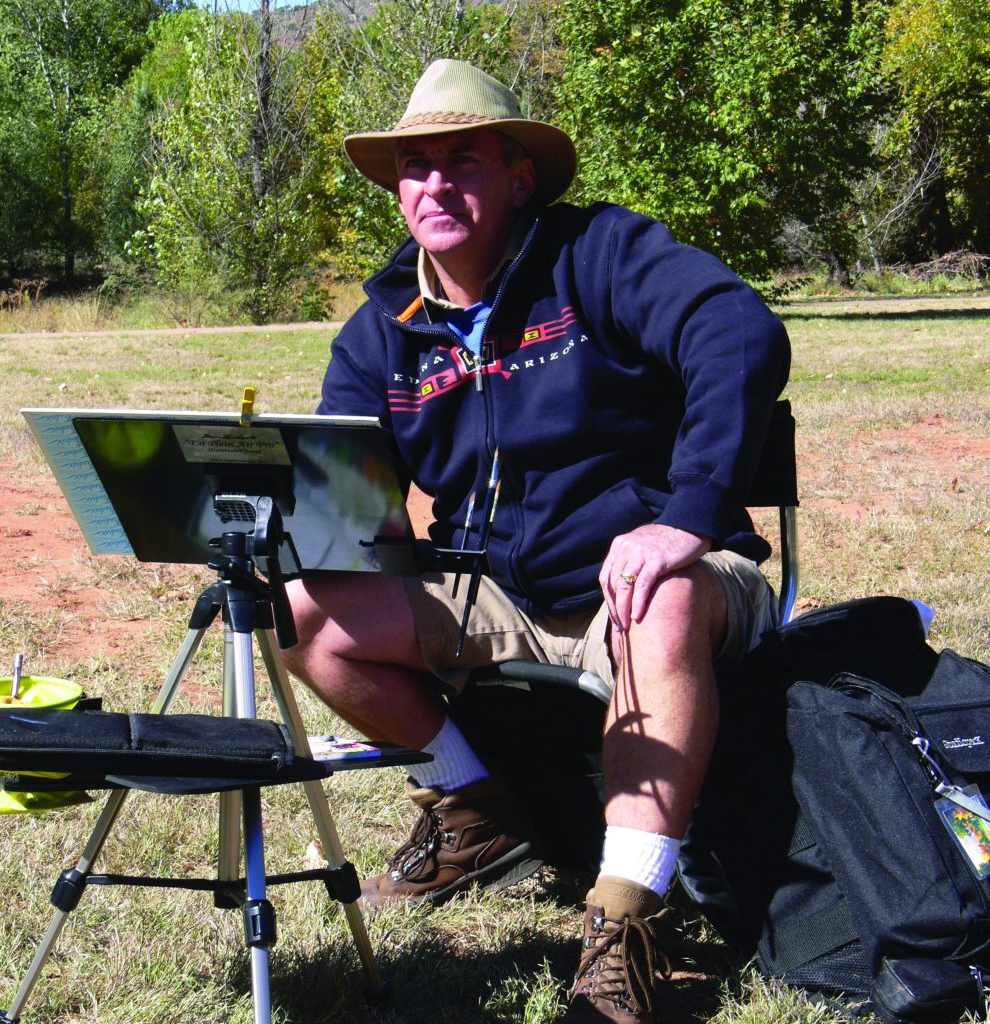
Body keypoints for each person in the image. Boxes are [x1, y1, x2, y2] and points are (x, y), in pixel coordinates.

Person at [282, 58, 791, 1023]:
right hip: (493, 591)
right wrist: (308, 531)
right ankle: (473, 805)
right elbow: (348, 493)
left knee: (662, 595)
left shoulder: (596, 253)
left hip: (662, 574)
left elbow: (739, 331)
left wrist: (685, 516)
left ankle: (623, 919)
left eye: (462, 160)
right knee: (307, 612)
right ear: (397, 189)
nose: (436, 184)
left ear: (519, 176)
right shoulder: (383, 331)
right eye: (414, 166)